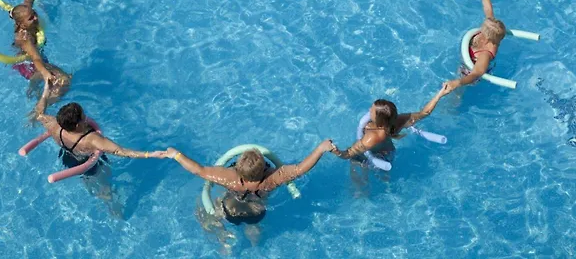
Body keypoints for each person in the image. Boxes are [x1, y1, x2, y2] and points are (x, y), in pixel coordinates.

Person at [31, 84, 159, 216]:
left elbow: (39, 113)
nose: (86, 117)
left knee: (87, 179)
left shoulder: (55, 127)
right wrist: (152, 154)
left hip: (68, 158)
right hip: (91, 163)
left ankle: (92, 188)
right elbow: (121, 151)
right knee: (106, 188)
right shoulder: (91, 140)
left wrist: (46, 91)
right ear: (78, 125)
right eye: (83, 116)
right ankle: (115, 210)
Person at [151, 140, 335, 225]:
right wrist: (320, 149)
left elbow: (198, 170)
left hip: (229, 206)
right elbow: (300, 169)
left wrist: (176, 155)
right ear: (264, 169)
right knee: (254, 230)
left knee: (207, 212)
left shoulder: (229, 177)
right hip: (257, 210)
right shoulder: (272, 178)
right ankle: (254, 240)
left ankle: (222, 239)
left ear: (238, 169)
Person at [330, 86, 451, 163]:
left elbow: (348, 154)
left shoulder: (372, 137)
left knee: (355, 164)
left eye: (371, 111)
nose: (369, 110)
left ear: (379, 119)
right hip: (389, 153)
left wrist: (334, 151)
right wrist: (439, 94)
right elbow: (424, 113)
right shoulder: (397, 120)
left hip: (379, 157)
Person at [10, 0, 70, 98]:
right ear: (22, 24)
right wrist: (45, 73)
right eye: (31, 18)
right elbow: (36, 58)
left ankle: (35, 85)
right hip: (29, 65)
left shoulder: (24, 15)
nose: (36, 18)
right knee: (63, 81)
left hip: (37, 58)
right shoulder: (25, 38)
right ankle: (40, 100)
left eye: (34, 14)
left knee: (64, 78)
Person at [444, 0, 507, 93]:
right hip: (468, 60)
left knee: (457, 94)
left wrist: (457, 83)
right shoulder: (492, 30)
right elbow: (488, 9)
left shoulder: (485, 54)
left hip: (469, 72)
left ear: (486, 36)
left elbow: (476, 74)